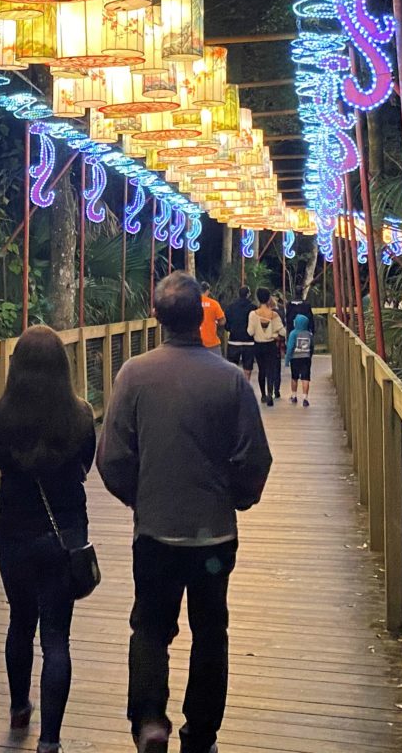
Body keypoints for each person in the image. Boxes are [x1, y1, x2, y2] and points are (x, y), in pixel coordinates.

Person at [98, 273, 273, 753]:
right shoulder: (230, 379)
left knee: (150, 626)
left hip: (155, 532)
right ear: (202, 317)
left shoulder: (133, 374)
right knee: (210, 630)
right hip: (214, 536)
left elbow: (111, 457)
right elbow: (255, 457)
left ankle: (151, 721)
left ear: (157, 317)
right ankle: (201, 734)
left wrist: (140, 497)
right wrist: (235, 498)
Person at [0, 326, 97, 753]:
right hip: (64, 531)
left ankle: (18, 708)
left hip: (13, 528)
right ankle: (50, 741)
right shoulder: (81, 415)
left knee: (19, 620)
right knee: (56, 637)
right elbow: (86, 465)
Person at [249, 287, 286, 406]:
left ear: (258, 298)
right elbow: (283, 332)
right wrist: (275, 335)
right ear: (269, 298)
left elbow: (250, 332)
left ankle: (263, 395)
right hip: (270, 345)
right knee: (271, 369)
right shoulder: (274, 314)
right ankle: (271, 393)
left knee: (261, 370)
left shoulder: (253, 314)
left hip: (258, 345)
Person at [224, 286, 256, 384]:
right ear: (248, 294)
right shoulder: (253, 308)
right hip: (249, 342)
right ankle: (246, 386)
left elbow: (226, 324)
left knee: (233, 366)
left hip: (234, 340)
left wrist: (231, 329)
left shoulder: (230, 307)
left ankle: (234, 386)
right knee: (247, 367)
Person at [285, 313, 314, 407]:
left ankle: (294, 396)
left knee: (294, 377)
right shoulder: (309, 334)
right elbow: (312, 346)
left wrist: (287, 360)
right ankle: (305, 398)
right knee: (306, 378)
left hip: (295, 358)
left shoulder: (293, 333)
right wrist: (310, 355)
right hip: (306, 358)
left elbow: (290, 347)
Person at [198, 281, 225, 349]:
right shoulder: (214, 304)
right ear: (207, 291)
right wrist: (216, 323)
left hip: (196, 343)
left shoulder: (192, 303)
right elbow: (222, 321)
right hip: (212, 343)